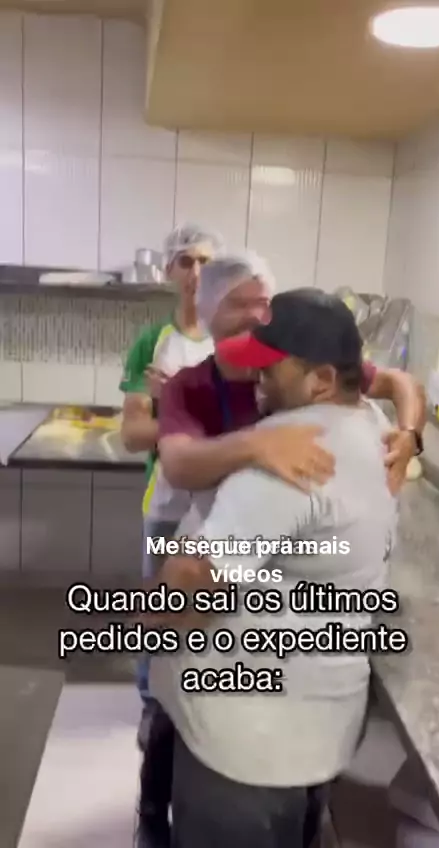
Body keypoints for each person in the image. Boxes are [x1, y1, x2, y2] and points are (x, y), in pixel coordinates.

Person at [138, 254, 426, 846]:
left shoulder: (290, 458)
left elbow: (191, 587)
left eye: (270, 369)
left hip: (242, 748)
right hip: (317, 732)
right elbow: (178, 461)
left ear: (320, 379)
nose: (258, 379)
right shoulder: (372, 426)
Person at [119, 222, 224, 745]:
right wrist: (191, 414)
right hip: (165, 504)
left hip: (222, 508)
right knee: (157, 609)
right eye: (185, 261)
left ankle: (197, 705)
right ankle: (151, 704)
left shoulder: (233, 344)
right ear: (168, 271)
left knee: (210, 616)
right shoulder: (151, 344)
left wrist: (179, 403)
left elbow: (248, 426)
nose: (196, 272)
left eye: (206, 261)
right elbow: (132, 435)